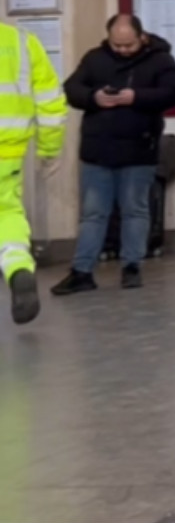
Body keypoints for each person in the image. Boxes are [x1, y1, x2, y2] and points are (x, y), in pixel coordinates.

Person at [53, 14, 175, 294]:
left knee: (135, 211)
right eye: (117, 45)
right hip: (97, 150)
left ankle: (132, 267)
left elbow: (174, 92)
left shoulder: (160, 60)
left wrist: (135, 97)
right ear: (108, 39)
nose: (123, 50)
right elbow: (71, 89)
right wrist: (93, 98)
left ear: (142, 37)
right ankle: (82, 271)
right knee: (93, 214)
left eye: (129, 45)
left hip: (139, 149)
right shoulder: (94, 58)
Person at [1, 20, 65, 325]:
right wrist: (48, 150)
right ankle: (18, 269)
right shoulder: (24, 42)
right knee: (7, 216)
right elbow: (50, 101)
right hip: (9, 155)